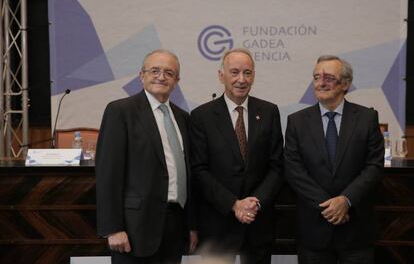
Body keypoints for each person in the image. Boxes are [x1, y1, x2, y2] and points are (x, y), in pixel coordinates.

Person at [96, 49, 197, 264]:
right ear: (142, 75)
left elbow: (188, 175)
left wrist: (191, 225)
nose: (161, 77)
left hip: (175, 227)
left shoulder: (183, 118)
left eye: (169, 73)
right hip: (134, 230)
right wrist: (113, 228)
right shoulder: (121, 112)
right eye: (155, 71)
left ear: (176, 81)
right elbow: (108, 174)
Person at [284, 55, 384, 264]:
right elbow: (294, 170)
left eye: (328, 78)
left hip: (356, 230)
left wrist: (345, 200)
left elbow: (373, 166)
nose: (321, 83)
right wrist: (329, 207)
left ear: (345, 84)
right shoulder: (297, 122)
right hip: (313, 232)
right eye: (316, 77)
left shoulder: (367, 118)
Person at [190, 48, 284, 264]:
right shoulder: (201, 116)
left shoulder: (269, 112)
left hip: (258, 222)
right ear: (221, 75)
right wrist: (234, 204)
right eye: (234, 72)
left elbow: (277, 166)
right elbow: (199, 170)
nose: (241, 79)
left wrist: (255, 203)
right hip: (218, 223)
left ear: (254, 76)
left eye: (247, 73)